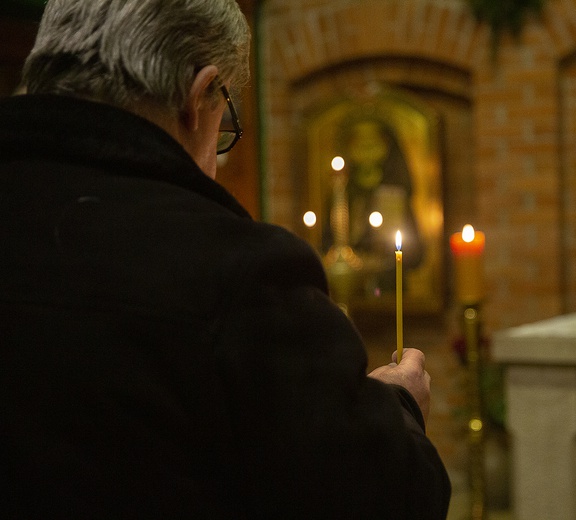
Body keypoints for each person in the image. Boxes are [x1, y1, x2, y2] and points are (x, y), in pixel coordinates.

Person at [0, 0, 451, 518]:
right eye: (226, 122)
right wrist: (400, 407)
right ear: (198, 97)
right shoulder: (235, 272)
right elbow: (386, 497)